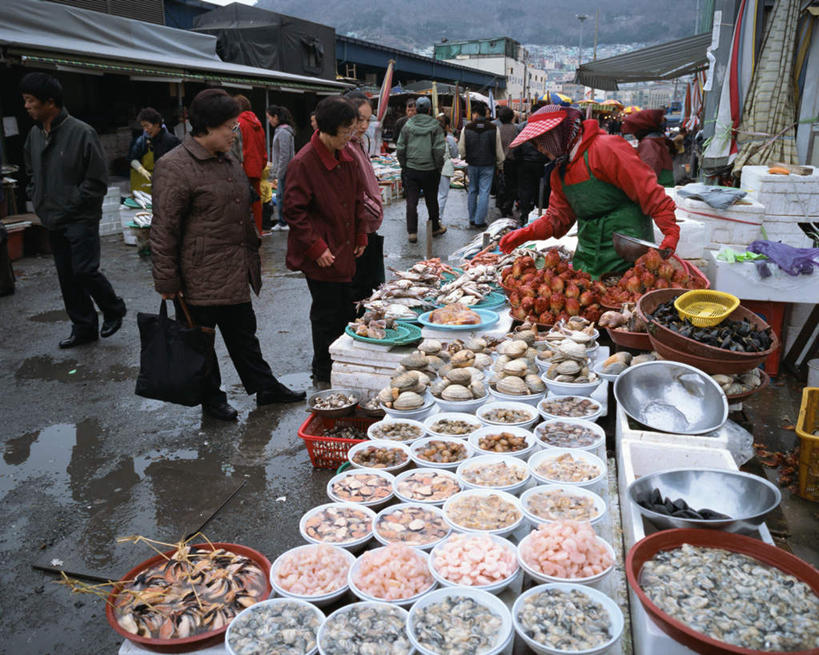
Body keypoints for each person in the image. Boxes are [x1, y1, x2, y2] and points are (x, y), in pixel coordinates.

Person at [151, 89, 305, 421]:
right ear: (207, 127)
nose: (234, 133)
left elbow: (242, 207)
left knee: (244, 336)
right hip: (197, 275)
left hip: (235, 268)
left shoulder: (227, 158)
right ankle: (212, 399)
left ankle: (265, 387)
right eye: (229, 127)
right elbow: (164, 228)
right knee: (201, 343)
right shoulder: (174, 166)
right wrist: (166, 280)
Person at [498, 106, 679, 278]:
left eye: (541, 141)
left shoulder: (606, 149)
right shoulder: (560, 171)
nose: (539, 148)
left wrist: (670, 231)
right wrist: (527, 233)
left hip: (628, 252)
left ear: (557, 135)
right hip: (588, 256)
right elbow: (557, 219)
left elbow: (649, 192)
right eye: (534, 143)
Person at [21, 72, 127, 349]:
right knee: (67, 277)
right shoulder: (34, 135)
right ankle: (84, 327)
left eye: (30, 101)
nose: (27, 106)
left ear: (50, 102)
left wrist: (71, 203)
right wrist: (36, 195)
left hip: (81, 217)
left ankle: (113, 308)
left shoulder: (81, 132)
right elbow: (31, 172)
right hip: (52, 218)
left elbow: (97, 181)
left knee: (84, 270)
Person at [284, 96, 368, 386]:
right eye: (346, 131)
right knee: (326, 315)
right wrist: (315, 246)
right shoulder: (303, 162)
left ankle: (342, 365)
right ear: (329, 129)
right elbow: (294, 211)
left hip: (346, 247)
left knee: (347, 309)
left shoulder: (346, 158)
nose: (350, 136)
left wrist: (361, 232)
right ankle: (323, 371)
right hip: (323, 252)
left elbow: (358, 199)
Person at [345, 91, 386, 302]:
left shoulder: (359, 143)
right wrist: (374, 208)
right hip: (360, 228)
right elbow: (355, 193)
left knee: (372, 291)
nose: (363, 126)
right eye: (359, 119)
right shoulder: (345, 147)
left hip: (368, 227)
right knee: (360, 293)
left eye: (367, 120)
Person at [395, 96, 447, 244]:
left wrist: (404, 164)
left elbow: (400, 148)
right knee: (432, 199)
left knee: (411, 200)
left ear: (416, 109)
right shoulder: (436, 126)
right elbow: (439, 149)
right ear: (429, 110)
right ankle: (435, 227)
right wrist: (438, 166)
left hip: (411, 168)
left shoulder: (408, 125)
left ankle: (412, 232)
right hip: (430, 169)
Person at [459, 103, 504, 228]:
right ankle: (479, 220)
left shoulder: (467, 128)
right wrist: (500, 165)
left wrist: (464, 157)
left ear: (476, 114)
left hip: (472, 164)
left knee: (472, 190)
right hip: (488, 164)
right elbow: (498, 149)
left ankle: (472, 218)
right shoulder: (494, 128)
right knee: (484, 191)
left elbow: (461, 149)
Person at [510, 101, 549, 223]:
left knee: (525, 190)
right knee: (540, 189)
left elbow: (516, 145)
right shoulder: (546, 126)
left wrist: (518, 159)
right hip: (541, 163)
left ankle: (525, 214)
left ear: (531, 113)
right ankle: (538, 215)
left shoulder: (521, 126)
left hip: (524, 163)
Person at [128, 107, 180, 194]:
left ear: (156, 124)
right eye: (143, 126)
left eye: (147, 126)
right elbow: (132, 158)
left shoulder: (172, 141)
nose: (145, 130)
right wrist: (141, 170)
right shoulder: (144, 141)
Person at [234, 95, 267, 234]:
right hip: (257, 166)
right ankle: (258, 231)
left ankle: (247, 234)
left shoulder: (239, 123)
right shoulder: (257, 123)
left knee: (242, 204)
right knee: (256, 203)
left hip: (244, 167)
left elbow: (238, 147)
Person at [621, 109, 675, 187]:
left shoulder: (649, 144)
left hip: (659, 188)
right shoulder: (656, 139)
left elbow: (647, 173)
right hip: (664, 187)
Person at [267, 105, 296, 232]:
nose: (269, 121)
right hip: (284, 170)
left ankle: (284, 221)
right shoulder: (281, 131)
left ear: (276, 117)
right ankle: (282, 221)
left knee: (282, 196)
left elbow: (284, 155)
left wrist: (279, 173)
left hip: (285, 170)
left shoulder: (283, 132)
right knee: (281, 196)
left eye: (270, 118)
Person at [495, 106, 518, 217]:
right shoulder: (516, 129)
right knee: (512, 185)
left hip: (500, 161)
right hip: (513, 161)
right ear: (512, 117)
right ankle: (507, 206)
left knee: (501, 184)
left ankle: (501, 204)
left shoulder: (498, 130)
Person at [437, 115, 459, 219]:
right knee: (442, 194)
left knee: (433, 194)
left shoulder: (430, 137)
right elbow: (455, 154)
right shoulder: (450, 139)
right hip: (445, 167)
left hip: (430, 167)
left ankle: (433, 217)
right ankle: (438, 218)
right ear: (447, 125)